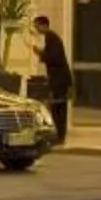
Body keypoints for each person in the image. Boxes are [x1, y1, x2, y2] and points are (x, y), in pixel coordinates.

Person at [29, 14, 74, 142]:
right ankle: (59, 135)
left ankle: (60, 135)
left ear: (44, 25)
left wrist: (40, 53)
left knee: (58, 107)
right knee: (57, 107)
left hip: (59, 80)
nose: (36, 29)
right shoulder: (51, 38)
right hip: (59, 78)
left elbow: (53, 57)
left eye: (37, 26)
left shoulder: (51, 37)